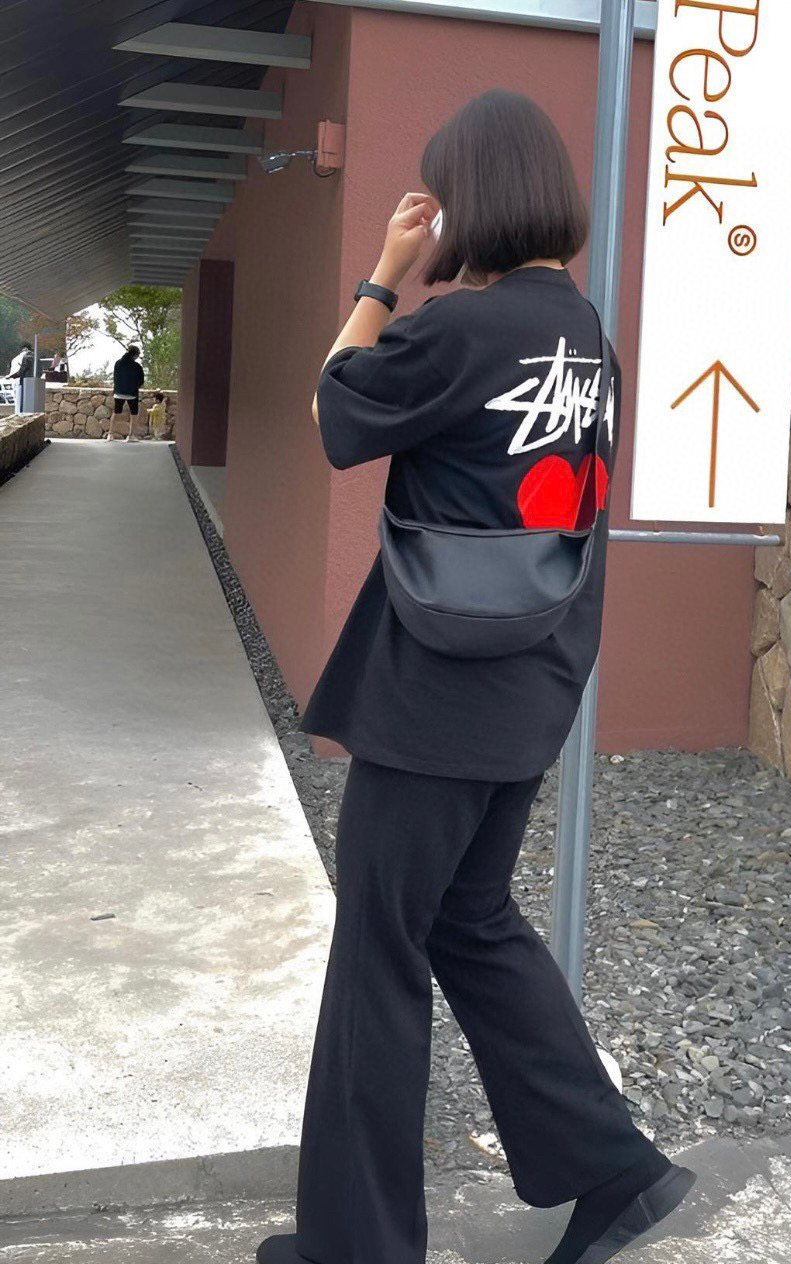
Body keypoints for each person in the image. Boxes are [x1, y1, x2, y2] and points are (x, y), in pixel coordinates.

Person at [255, 90, 694, 1264]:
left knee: (380, 951)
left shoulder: (459, 331)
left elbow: (331, 410)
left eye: (444, 195)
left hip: (435, 694)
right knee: (469, 917)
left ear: (469, 201)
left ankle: (356, 1247)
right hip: (531, 686)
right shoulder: (589, 340)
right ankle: (615, 1169)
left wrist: (384, 274)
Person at [108, 345, 145, 441]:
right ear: (135, 355)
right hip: (132, 394)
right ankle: (131, 435)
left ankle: (110, 434)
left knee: (116, 412)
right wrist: (135, 386)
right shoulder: (137, 366)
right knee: (134, 413)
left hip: (118, 392)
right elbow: (141, 381)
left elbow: (115, 377)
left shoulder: (118, 363)